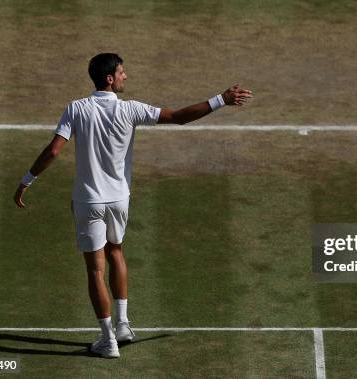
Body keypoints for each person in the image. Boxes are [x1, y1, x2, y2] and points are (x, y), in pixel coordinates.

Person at [13, 53, 252, 358]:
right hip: (119, 199)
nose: (126, 76)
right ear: (109, 79)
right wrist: (221, 99)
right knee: (116, 252)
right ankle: (123, 323)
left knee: (95, 270)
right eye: (122, 72)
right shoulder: (131, 110)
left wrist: (27, 180)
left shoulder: (76, 109)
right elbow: (178, 117)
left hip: (88, 201)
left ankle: (109, 339)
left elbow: (54, 151)